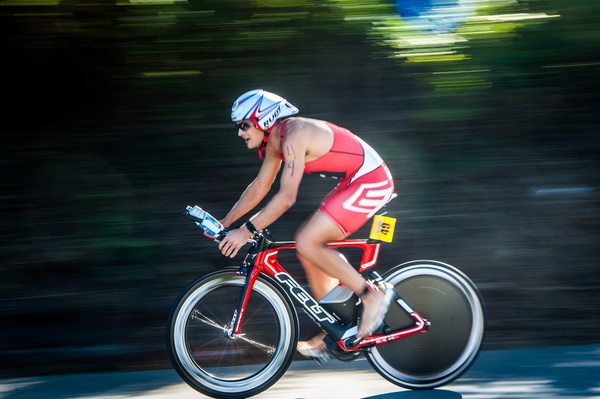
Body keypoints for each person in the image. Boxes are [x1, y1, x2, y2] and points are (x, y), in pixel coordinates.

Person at [212, 89, 396, 360]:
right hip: (353, 181)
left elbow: (286, 197)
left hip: (371, 181)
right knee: (308, 250)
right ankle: (336, 329)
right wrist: (226, 222)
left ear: (263, 119)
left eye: (243, 125)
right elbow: (260, 187)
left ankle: (370, 296)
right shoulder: (275, 142)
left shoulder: (293, 133)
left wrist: (246, 230)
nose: (240, 133)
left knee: (308, 241)